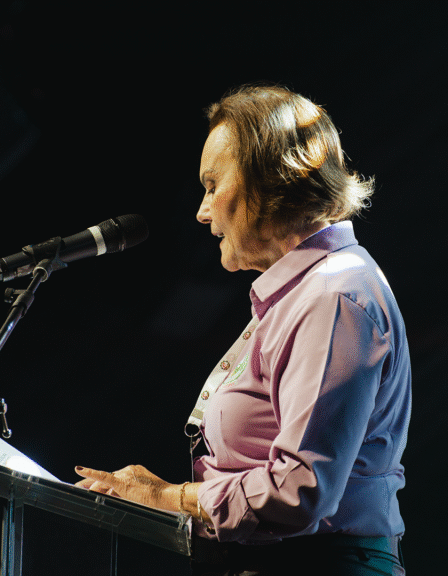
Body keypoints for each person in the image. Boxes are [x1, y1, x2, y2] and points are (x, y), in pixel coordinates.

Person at [76, 85, 411, 575]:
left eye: (213, 185)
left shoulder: (333, 299)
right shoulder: (305, 293)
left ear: (273, 180)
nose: (202, 210)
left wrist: (172, 496)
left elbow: (300, 490)